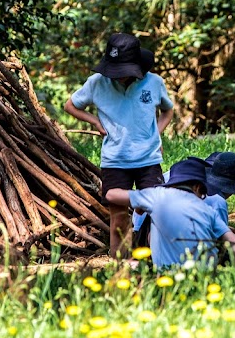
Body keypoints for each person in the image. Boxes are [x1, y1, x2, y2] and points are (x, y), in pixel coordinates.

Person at [64, 33, 174, 258]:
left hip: (149, 159)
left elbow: (168, 110)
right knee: (119, 218)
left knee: (156, 213)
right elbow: (70, 106)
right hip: (115, 160)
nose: (120, 77)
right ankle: (119, 267)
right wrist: (94, 121)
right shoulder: (96, 83)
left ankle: (156, 264)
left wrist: (156, 135)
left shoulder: (154, 82)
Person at [105, 157, 235, 269]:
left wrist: (139, 200)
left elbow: (111, 195)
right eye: (203, 193)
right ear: (197, 187)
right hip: (205, 277)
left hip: (168, 274)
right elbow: (233, 241)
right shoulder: (207, 210)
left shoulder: (157, 196)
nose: (202, 197)